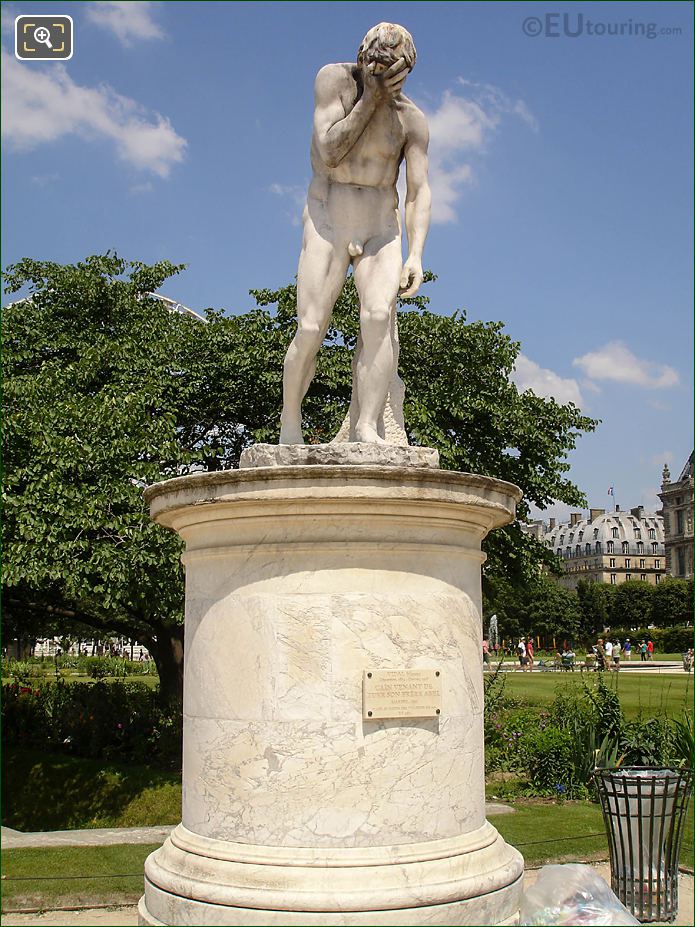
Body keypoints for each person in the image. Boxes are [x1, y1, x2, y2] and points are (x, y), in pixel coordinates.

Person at [280, 22, 431, 445]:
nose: (384, 76)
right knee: (310, 329)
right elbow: (329, 149)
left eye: (393, 70)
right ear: (363, 59)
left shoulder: (412, 121)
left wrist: (416, 254)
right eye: (376, 66)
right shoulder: (334, 81)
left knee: (379, 319)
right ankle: (290, 423)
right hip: (329, 216)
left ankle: (367, 424)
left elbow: (419, 193)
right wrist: (371, 99)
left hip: (380, 225)